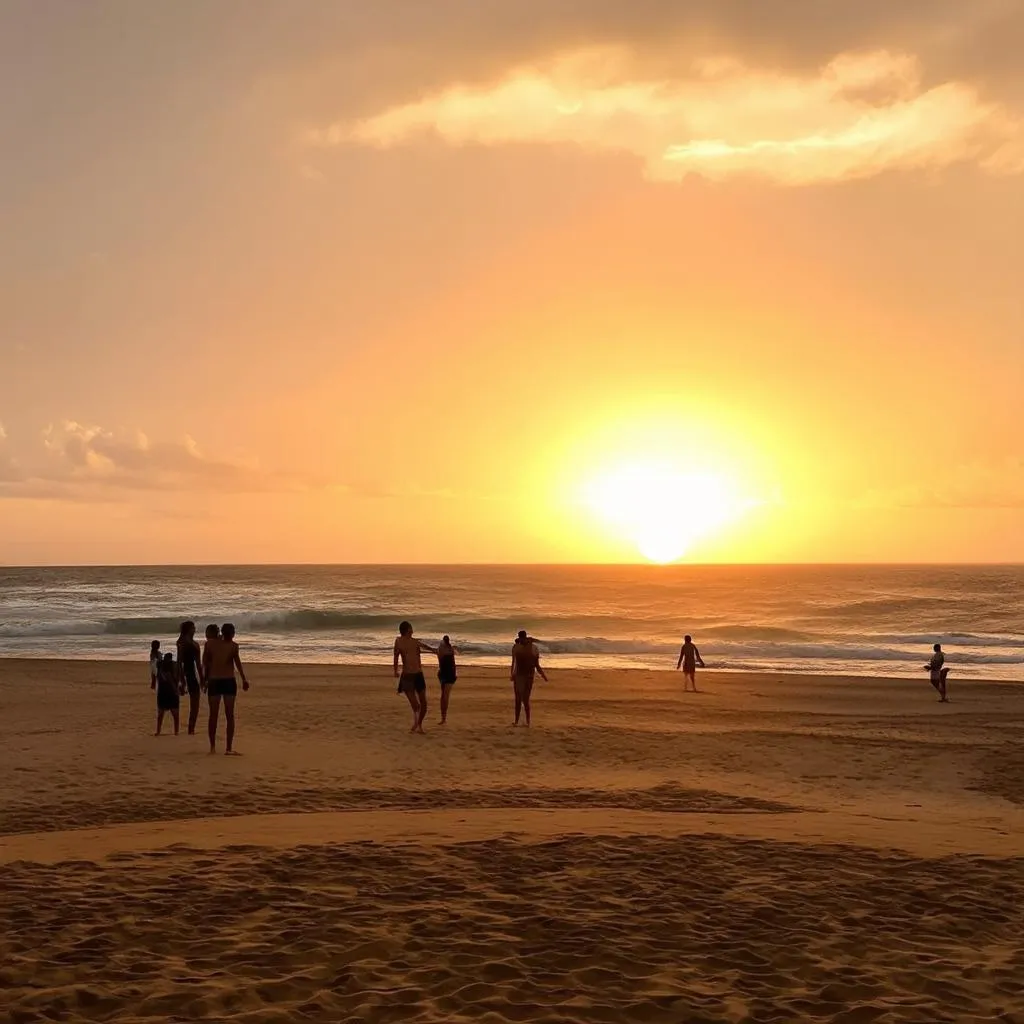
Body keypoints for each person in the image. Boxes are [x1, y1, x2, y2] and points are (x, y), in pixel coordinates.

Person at [202, 622, 250, 754]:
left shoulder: (211, 644)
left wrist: (244, 679)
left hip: (217, 681)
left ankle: (218, 748)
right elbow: (237, 663)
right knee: (225, 715)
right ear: (231, 633)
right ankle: (224, 748)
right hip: (225, 681)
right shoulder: (231, 646)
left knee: (217, 715)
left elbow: (205, 664)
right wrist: (244, 679)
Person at [393, 621, 435, 734]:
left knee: (424, 704)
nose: (412, 630)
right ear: (407, 630)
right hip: (407, 676)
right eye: (411, 628)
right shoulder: (399, 642)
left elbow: (426, 647)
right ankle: (416, 724)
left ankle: (419, 724)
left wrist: (435, 651)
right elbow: (396, 656)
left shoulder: (415, 642)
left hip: (418, 674)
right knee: (416, 705)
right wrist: (395, 670)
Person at [510, 630, 547, 727]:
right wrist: (512, 674)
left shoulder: (532, 648)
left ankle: (527, 721)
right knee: (518, 699)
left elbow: (536, 665)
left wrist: (543, 675)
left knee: (525, 699)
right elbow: (514, 662)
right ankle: (518, 721)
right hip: (520, 675)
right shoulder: (518, 647)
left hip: (528, 676)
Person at [176, 620, 204, 736]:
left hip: (187, 673)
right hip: (190, 674)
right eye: (193, 628)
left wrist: (181, 679)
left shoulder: (181, 642)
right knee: (195, 703)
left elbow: (179, 662)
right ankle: (191, 729)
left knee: (194, 703)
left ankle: (191, 728)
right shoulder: (192, 644)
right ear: (189, 630)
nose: (195, 629)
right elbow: (197, 664)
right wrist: (202, 678)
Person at [154, 652, 180, 736]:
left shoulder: (160, 665)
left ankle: (159, 731)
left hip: (163, 692)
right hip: (171, 692)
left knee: (161, 715)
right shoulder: (173, 665)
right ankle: (176, 731)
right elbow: (174, 679)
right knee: (175, 715)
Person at [436, 635, 458, 725]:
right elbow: (453, 664)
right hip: (449, 674)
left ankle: (443, 718)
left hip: (444, 674)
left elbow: (440, 659)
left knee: (443, 696)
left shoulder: (441, 648)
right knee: (445, 696)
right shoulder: (451, 649)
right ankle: (443, 718)